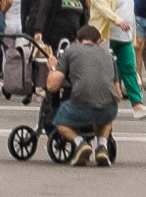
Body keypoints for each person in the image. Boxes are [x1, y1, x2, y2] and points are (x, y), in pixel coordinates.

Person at [48, 24, 121, 166]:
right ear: (99, 41)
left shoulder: (71, 51)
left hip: (81, 107)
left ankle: (80, 143)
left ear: (77, 40)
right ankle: (102, 146)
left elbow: (52, 86)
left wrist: (52, 66)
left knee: (59, 119)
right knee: (107, 110)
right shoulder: (108, 54)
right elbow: (117, 92)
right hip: (108, 110)